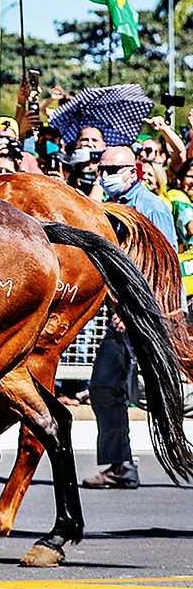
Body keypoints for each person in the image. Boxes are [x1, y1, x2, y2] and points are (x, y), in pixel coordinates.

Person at [83, 145, 178, 490]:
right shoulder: (112, 210)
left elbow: (163, 269)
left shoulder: (152, 208)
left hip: (149, 317)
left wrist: (137, 309)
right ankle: (120, 464)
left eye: (111, 170)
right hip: (122, 316)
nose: (103, 177)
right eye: (100, 170)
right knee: (105, 387)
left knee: (166, 395)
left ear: (132, 171)